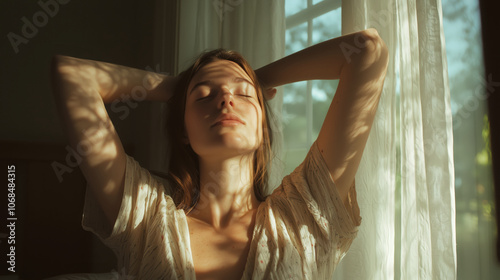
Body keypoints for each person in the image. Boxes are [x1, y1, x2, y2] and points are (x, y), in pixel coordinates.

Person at [51, 28, 388, 279]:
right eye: (204, 96)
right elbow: (73, 76)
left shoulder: (303, 215)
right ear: (183, 129)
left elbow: (366, 50)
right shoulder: (147, 217)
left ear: (262, 130)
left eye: (243, 96)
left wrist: (255, 78)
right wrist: (179, 86)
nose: (226, 99)